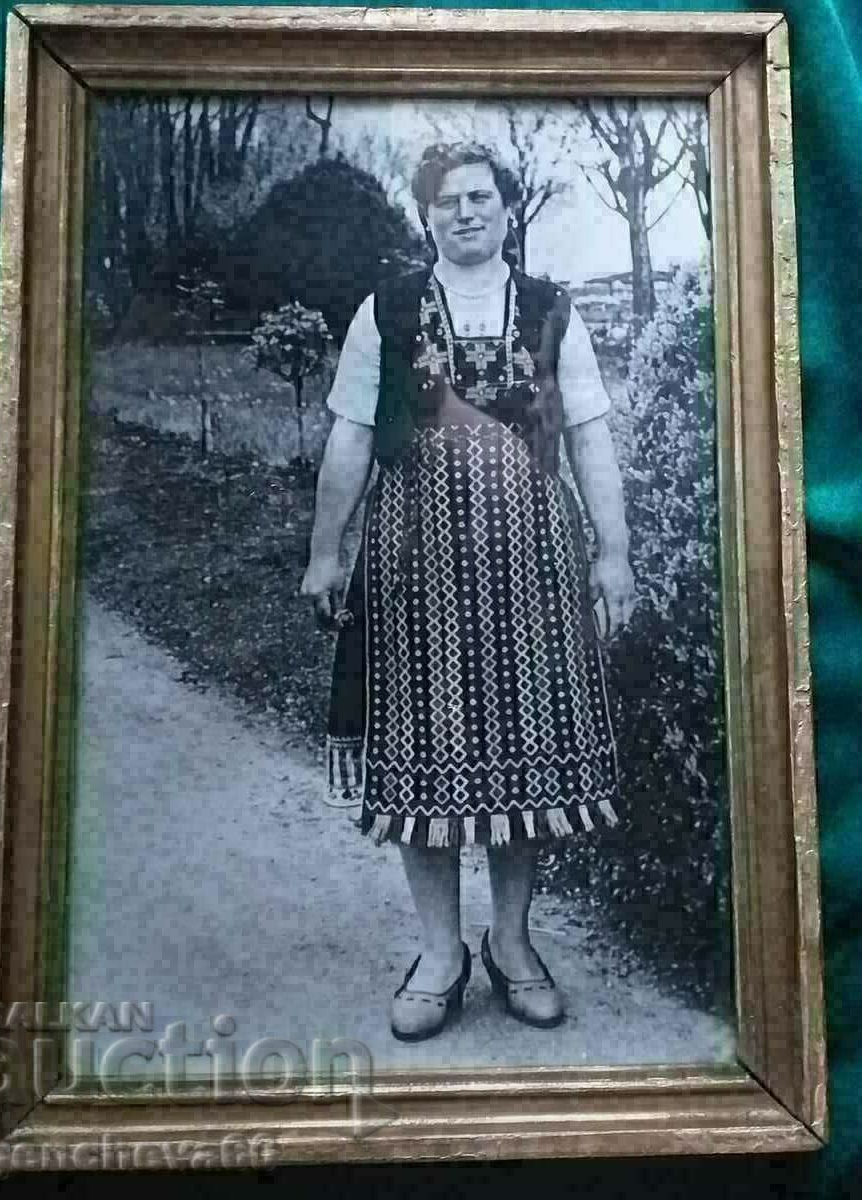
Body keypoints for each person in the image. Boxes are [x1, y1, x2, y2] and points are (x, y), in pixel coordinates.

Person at [300, 141, 635, 1042]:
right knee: (423, 758)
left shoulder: (553, 309)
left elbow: (592, 437)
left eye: (481, 197)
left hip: (534, 571)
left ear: (508, 209)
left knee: (524, 754)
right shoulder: (387, 311)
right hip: (414, 574)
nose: (467, 212)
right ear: (427, 216)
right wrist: (326, 553)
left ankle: (512, 946)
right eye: (448, 201)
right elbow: (350, 438)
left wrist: (614, 554)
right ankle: (439, 955)